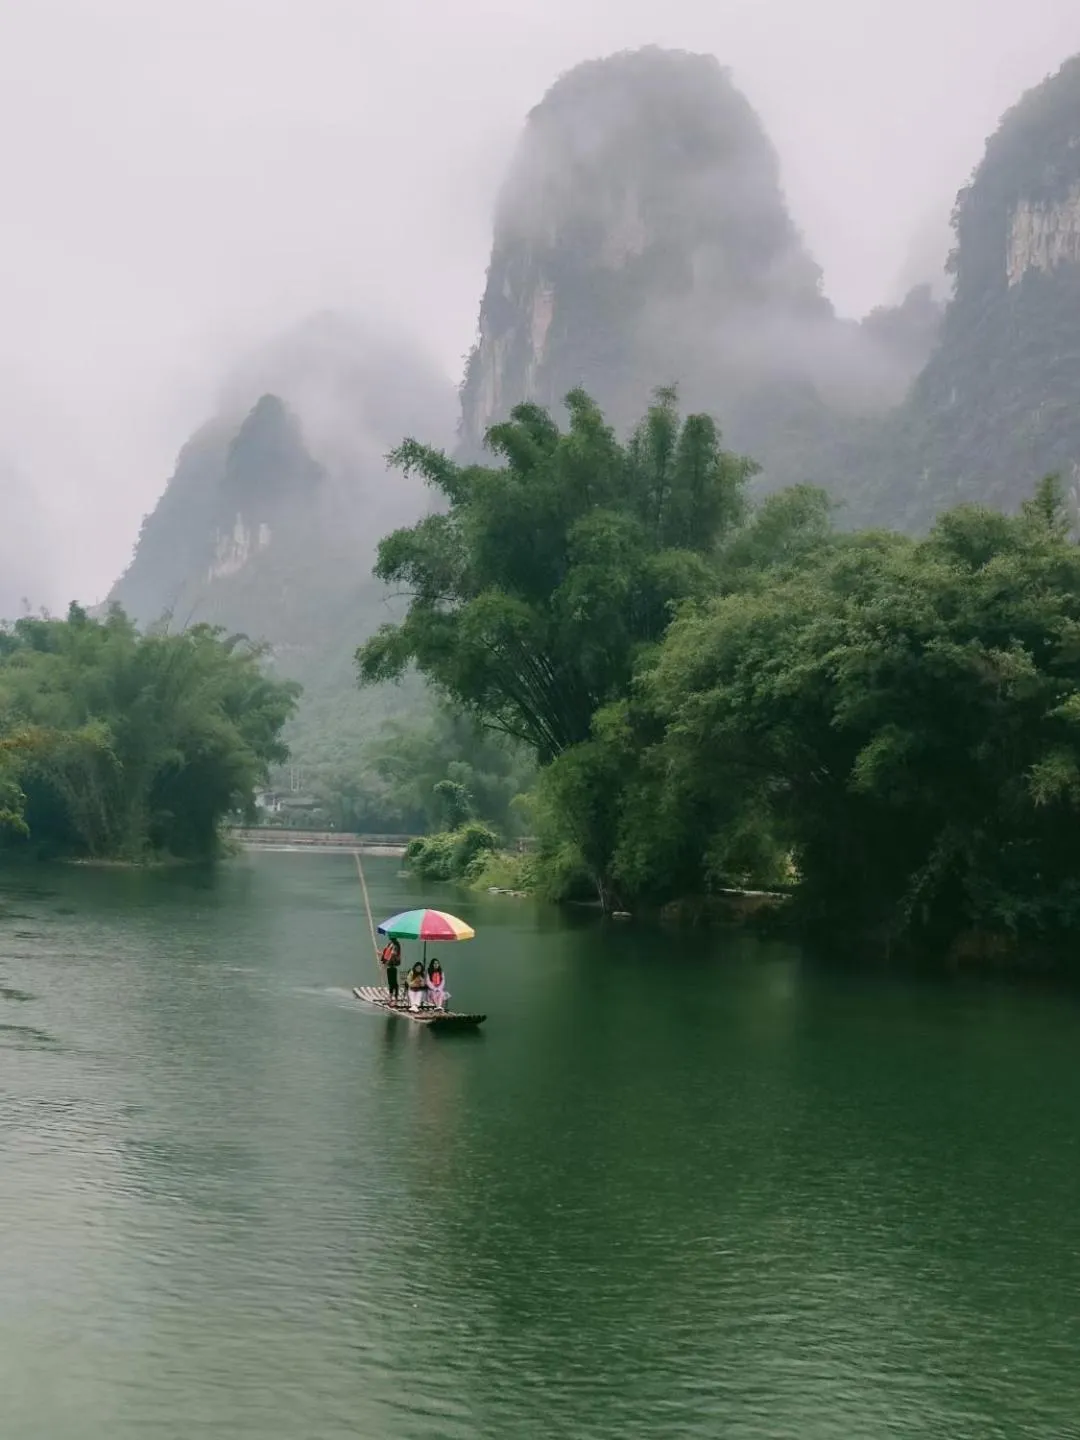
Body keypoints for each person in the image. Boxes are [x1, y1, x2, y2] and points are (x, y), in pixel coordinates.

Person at [379, 937, 401, 1004]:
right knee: (390, 983)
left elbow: (393, 955)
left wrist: (386, 963)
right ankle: (390, 997)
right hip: (389, 966)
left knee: (394, 983)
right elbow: (387, 954)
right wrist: (381, 954)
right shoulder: (390, 944)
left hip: (392, 966)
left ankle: (396, 998)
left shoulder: (396, 945)